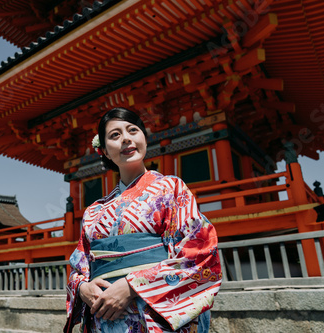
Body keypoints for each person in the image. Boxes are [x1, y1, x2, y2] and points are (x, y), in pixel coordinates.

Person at [65, 108, 222, 332]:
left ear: (144, 140)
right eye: (115, 135)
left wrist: (132, 286)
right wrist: (82, 288)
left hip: (152, 316)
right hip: (102, 319)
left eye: (132, 130)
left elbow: (200, 254)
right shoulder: (93, 212)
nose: (126, 138)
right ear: (105, 152)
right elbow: (77, 268)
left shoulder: (171, 189)